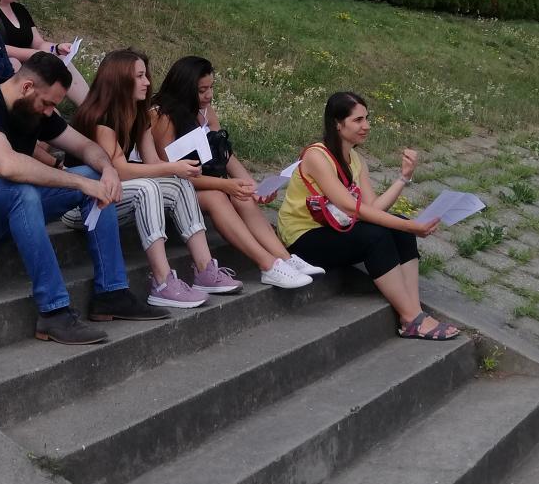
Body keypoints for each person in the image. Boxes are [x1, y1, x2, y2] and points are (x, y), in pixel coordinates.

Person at [0, 51, 164, 345]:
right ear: (27, 87)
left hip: (7, 210)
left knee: (94, 176)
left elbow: (85, 146)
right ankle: (53, 312)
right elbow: (8, 166)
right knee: (24, 190)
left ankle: (112, 293)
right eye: (48, 104)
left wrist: (108, 170)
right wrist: (79, 182)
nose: (49, 112)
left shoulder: (35, 108)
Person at [277, 91, 457, 340]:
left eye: (367, 118)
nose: (366, 126)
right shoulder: (316, 156)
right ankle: (411, 317)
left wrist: (403, 177)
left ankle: (413, 312)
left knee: (400, 227)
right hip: (304, 238)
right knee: (377, 236)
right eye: (358, 120)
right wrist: (412, 227)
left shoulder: (355, 158)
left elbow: (373, 207)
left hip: (335, 228)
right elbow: (351, 208)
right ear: (338, 124)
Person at [73, 50, 242, 308]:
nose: (147, 82)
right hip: (84, 203)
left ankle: (205, 269)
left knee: (179, 184)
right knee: (147, 188)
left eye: (146, 75)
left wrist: (180, 170)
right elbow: (119, 169)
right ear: (120, 80)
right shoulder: (102, 117)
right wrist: (172, 167)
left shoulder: (137, 113)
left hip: (113, 194)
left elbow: (152, 162)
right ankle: (162, 283)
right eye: (140, 76)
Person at [151, 56, 317, 289]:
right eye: (202, 90)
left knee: (242, 195)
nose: (209, 95)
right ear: (184, 88)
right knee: (218, 195)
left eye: (211, 87)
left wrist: (252, 187)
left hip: (200, 180)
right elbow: (171, 173)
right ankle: (268, 265)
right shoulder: (162, 116)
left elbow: (225, 155)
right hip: (171, 186)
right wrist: (226, 185)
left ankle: (285, 258)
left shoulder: (205, 111)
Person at [0, 0, 87, 103]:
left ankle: (91, 107)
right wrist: (34, 54)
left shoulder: (20, 10)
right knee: (14, 62)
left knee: (60, 58)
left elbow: (38, 43)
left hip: (28, 65)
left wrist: (56, 48)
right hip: (3, 68)